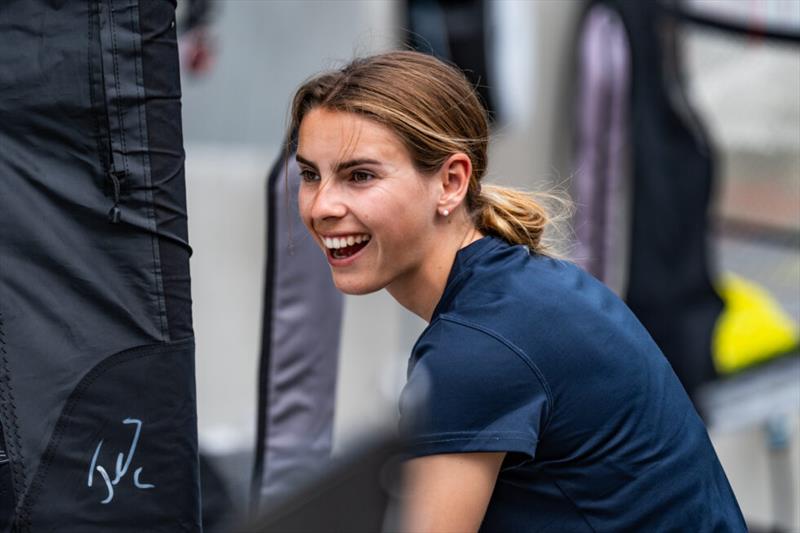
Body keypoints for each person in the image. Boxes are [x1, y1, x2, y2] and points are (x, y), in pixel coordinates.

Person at [289, 51, 746, 532]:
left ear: (451, 182)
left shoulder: (476, 349)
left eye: (360, 175)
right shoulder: (522, 290)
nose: (321, 206)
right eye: (309, 175)